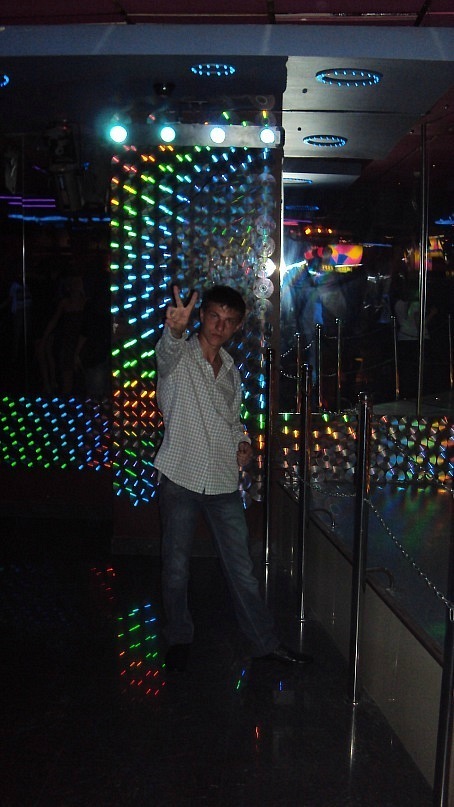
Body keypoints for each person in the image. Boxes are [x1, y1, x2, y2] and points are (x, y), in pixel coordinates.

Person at [154, 283, 313, 672]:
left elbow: (232, 421)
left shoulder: (230, 370)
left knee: (242, 569)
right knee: (176, 567)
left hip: (223, 480)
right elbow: (166, 351)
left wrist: (244, 442)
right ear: (202, 316)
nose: (219, 326)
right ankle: (179, 637)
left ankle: (263, 642)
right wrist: (174, 330)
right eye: (213, 317)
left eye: (228, 321)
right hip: (181, 474)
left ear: (238, 326)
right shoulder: (179, 357)